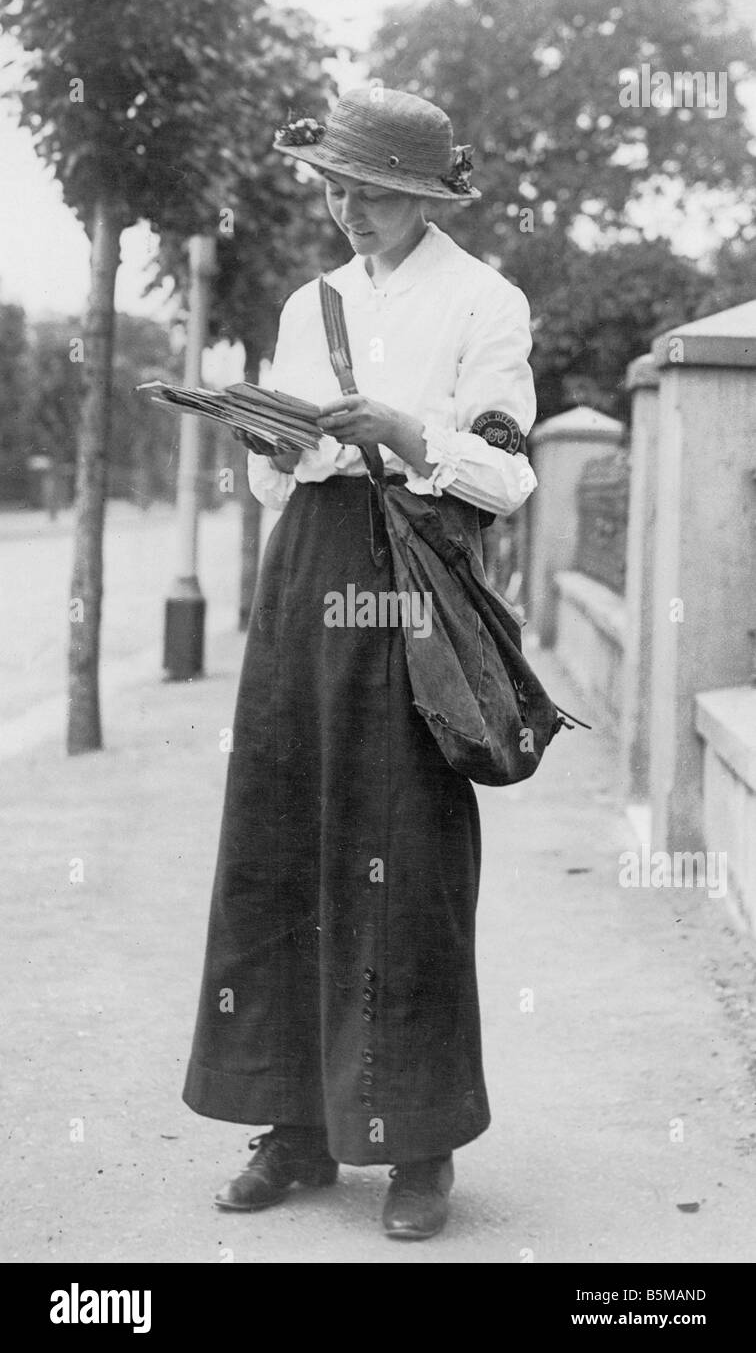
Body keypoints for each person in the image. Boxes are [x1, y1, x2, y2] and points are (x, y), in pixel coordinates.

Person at [183, 86, 537, 1240]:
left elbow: (508, 477)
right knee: (281, 840)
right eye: (335, 190)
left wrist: (409, 433)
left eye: (373, 194)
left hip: (413, 584)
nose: (348, 211)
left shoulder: (488, 301)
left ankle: (418, 1145)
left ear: (427, 196)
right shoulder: (308, 303)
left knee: (406, 849)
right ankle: (292, 1128)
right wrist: (268, 446)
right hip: (305, 578)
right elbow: (280, 484)